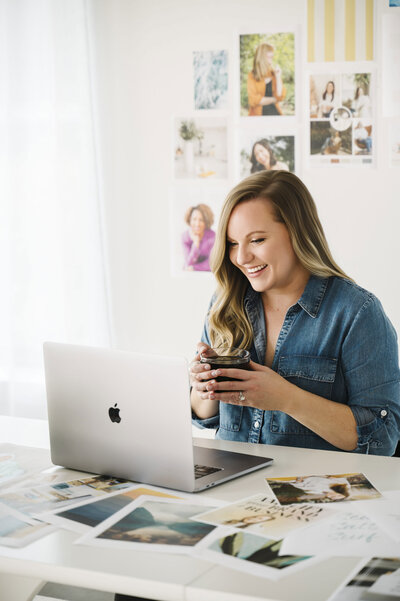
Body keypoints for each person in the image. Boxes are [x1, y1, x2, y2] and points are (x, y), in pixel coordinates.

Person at [190, 170, 400, 456]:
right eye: (232, 243)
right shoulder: (225, 304)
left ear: (297, 232)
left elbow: (383, 438)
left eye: (257, 240)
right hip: (234, 491)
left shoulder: (357, 313)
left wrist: (286, 398)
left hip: (320, 495)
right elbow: (205, 418)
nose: (241, 258)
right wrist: (203, 389)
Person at [247, 43, 286, 116]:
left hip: (276, 115)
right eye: (269, 57)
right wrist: (274, 99)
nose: (271, 61)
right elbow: (253, 100)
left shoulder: (273, 74)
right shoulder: (251, 76)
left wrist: (278, 77)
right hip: (258, 118)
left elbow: (280, 96)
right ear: (261, 58)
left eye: (272, 57)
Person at [182, 204, 215, 271]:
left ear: (206, 222)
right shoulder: (185, 237)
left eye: (201, 220)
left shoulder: (212, 236)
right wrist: (196, 244)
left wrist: (194, 268)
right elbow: (188, 263)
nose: (197, 224)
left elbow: (213, 263)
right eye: (194, 219)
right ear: (189, 220)